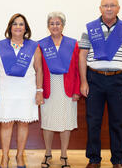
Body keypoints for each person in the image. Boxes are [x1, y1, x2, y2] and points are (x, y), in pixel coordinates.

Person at [79, 0, 122, 168]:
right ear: (100, 8)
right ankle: (94, 159)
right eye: (106, 5)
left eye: (113, 5)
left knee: (118, 122)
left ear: (118, 8)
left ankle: (118, 160)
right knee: (93, 121)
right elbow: (82, 57)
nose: (109, 8)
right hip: (94, 79)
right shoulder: (89, 29)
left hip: (118, 80)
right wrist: (84, 81)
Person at [0, 13, 43, 168]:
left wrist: (39, 90)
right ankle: (4, 157)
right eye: (15, 24)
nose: (18, 27)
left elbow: (39, 70)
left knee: (23, 123)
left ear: (25, 28)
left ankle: (20, 156)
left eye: (21, 24)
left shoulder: (34, 47)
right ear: (10, 27)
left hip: (26, 90)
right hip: (5, 90)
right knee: (6, 124)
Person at [39, 11, 80, 168]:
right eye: (52, 23)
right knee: (48, 122)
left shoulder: (73, 43)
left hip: (67, 89)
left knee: (66, 122)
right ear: (48, 26)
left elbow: (77, 69)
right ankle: (48, 153)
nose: (55, 26)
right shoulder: (41, 44)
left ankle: (64, 155)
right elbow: (39, 70)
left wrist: (77, 90)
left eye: (58, 23)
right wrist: (38, 90)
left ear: (63, 25)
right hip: (48, 88)